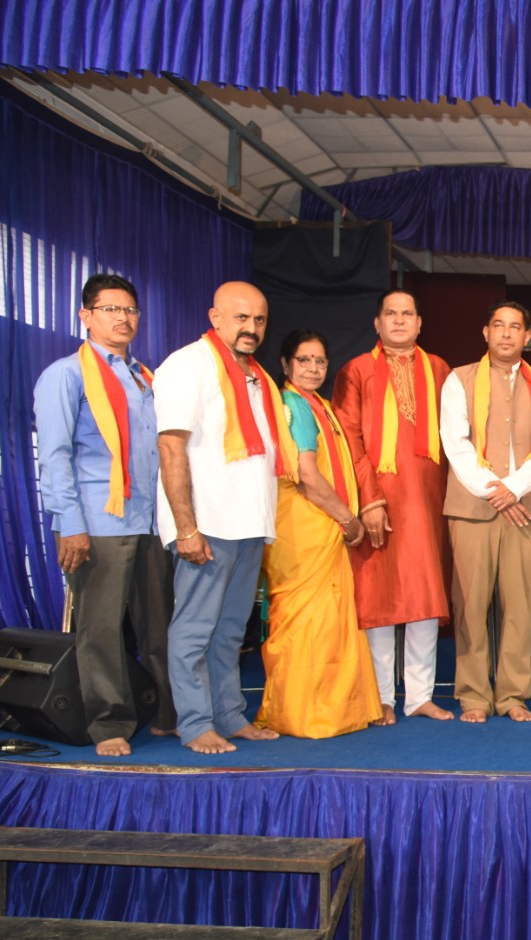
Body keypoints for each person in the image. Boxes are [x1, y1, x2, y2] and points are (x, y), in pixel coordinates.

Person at [33, 273, 175, 756]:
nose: (123, 318)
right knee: (101, 629)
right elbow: (54, 456)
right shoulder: (66, 375)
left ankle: (169, 713)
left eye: (130, 310)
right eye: (111, 309)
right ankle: (108, 723)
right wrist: (70, 525)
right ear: (86, 316)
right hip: (96, 522)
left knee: (160, 625)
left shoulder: (145, 377)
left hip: (150, 520)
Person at [155, 281, 293, 755]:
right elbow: (170, 446)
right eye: (241, 318)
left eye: (259, 320)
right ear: (215, 318)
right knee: (195, 629)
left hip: (249, 524)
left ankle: (230, 715)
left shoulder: (258, 377)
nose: (251, 327)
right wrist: (186, 528)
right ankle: (195, 724)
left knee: (232, 631)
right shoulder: (188, 364)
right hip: (207, 525)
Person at [332, 290, 453, 724]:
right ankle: (381, 695)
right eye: (391, 314)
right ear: (377, 323)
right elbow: (348, 438)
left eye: (407, 314)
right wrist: (369, 500)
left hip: (429, 498)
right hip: (378, 499)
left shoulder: (439, 370)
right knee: (379, 597)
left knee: (424, 595)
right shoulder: (356, 371)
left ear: (419, 323)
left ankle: (419, 696)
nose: (399, 320)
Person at [256, 331, 382, 738]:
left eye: (320, 361)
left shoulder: (319, 406)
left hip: (318, 524)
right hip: (303, 526)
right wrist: (348, 519)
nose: (313, 368)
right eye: (304, 360)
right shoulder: (293, 405)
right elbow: (307, 476)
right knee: (307, 624)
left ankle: (331, 708)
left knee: (328, 623)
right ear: (285, 364)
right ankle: (301, 713)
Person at [439, 301, 531, 724]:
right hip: (473, 507)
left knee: (519, 607)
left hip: (526, 508)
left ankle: (512, 695)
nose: (506, 333)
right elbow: (455, 443)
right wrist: (495, 491)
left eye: (515, 327)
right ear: (485, 332)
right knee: (471, 605)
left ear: (528, 336)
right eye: (498, 325)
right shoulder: (459, 379)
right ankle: (473, 694)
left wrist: (515, 488)